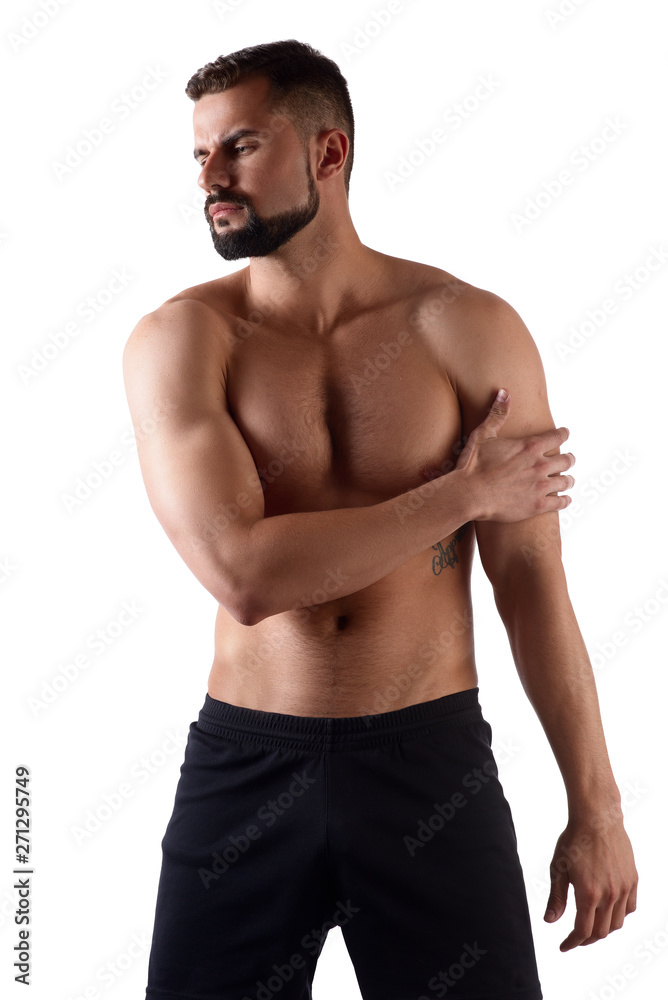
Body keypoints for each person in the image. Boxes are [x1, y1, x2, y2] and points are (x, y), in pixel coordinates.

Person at [122, 39, 638, 1000]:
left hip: (429, 764)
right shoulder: (181, 341)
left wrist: (596, 805)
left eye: (239, 147)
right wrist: (463, 493)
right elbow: (245, 576)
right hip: (247, 765)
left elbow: (531, 584)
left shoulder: (468, 326)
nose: (211, 180)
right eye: (199, 157)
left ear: (329, 153)